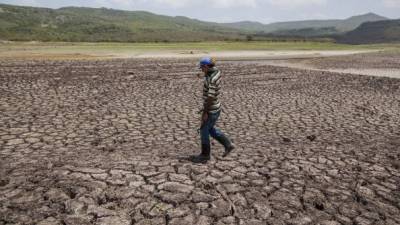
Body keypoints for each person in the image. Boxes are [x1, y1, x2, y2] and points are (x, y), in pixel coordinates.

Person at [191, 57, 235, 163]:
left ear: (206, 66)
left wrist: (205, 112)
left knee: (203, 131)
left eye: (202, 67)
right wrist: (203, 75)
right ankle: (228, 144)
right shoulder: (216, 71)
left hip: (211, 109)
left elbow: (210, 97)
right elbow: (209, 74)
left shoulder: (211, 80)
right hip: (216, 107)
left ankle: (205, 155)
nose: (201, 69)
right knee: (210, 129)